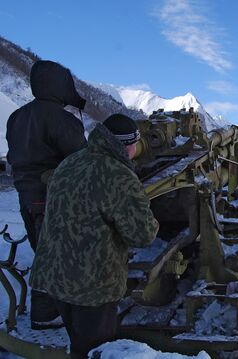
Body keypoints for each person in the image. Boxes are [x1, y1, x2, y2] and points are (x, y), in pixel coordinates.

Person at [29, 114, 159, 359]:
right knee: (97, 350)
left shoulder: (69, 163)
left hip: (55, 277)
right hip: (92, 287)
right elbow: (142, 235)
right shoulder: (118, 176)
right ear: (128, 145)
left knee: (78, 342)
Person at [6, 60, 88, 329]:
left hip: (26, 197)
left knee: (42, 251)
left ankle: (50, 310)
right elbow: (82, 160)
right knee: (55, 257)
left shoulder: (17, 117)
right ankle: (47, 314)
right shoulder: (61, 120)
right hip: (54, 198)